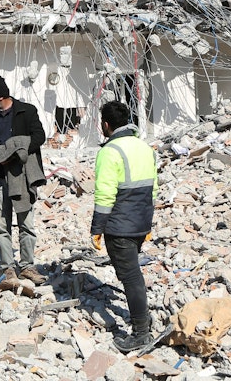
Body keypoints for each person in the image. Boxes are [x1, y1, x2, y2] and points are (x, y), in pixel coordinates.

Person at [90, 101, 158, 353]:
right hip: (140, 222)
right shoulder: (145, 148)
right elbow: (153, 189)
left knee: (130, 277)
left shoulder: (110, 151)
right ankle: (143, 315)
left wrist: (97, 228)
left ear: (105, 125)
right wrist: (147, 222)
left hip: (119, 226)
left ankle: (141, 331)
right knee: (131, 275)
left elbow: (105, 195)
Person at [0, 75, 47, 285]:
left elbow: (39, 137)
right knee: (2, 225)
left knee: (26, 224)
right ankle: (8, 268)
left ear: (1, 96)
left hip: (21, 177)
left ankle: (27, 266)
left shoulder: (27, 111)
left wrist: (16, 153)